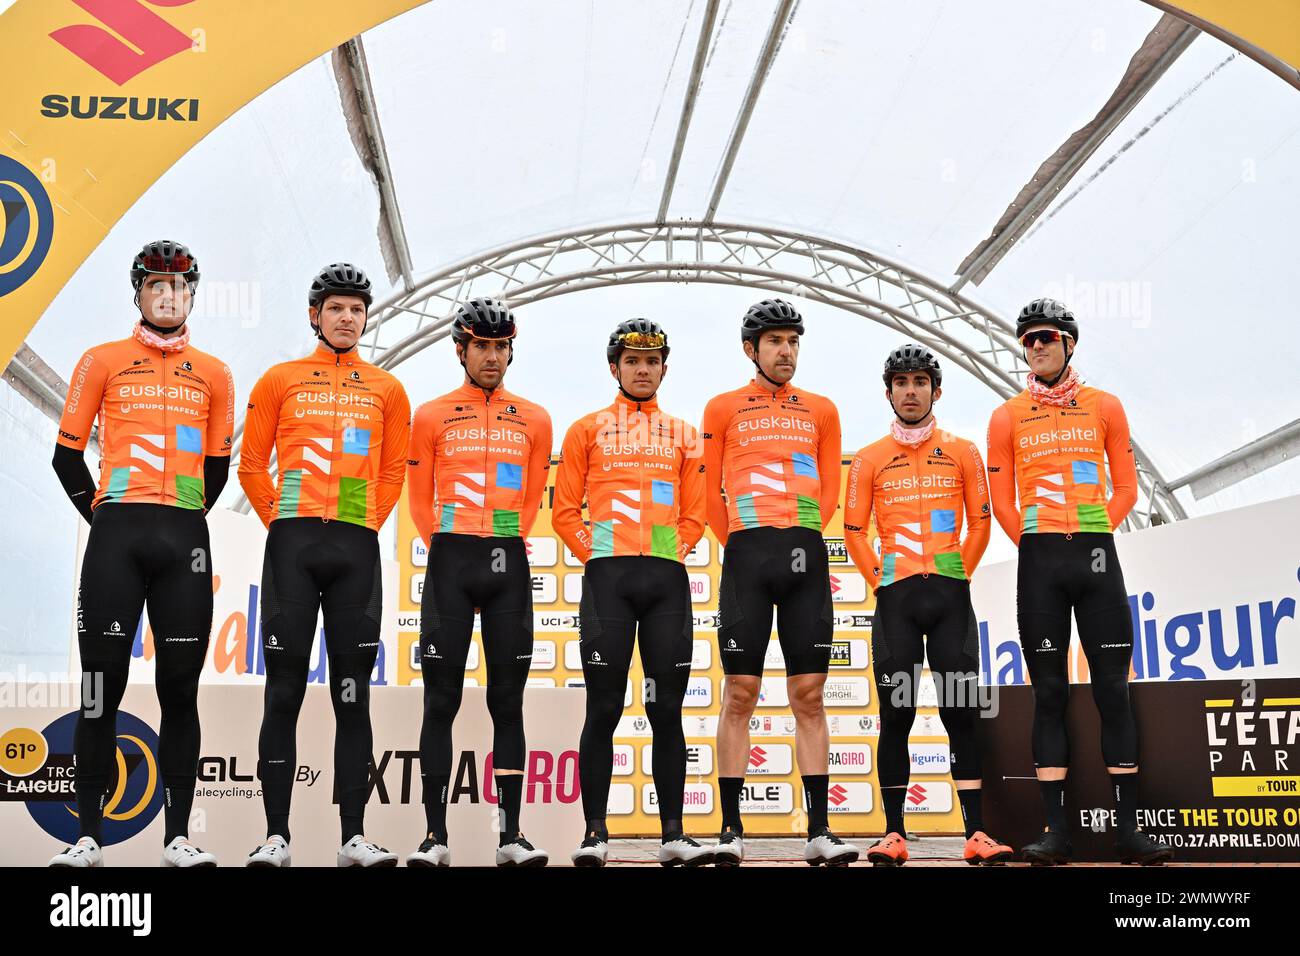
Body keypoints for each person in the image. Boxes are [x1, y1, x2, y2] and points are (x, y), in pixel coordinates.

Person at [49, 240, 233, 868]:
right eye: (157, 285)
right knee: (100, 689)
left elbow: (217, 469)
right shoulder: (100, 360)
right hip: (116, 539)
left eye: (179, 287)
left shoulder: (215, 373)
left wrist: (181, 520)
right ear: (138, 293)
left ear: (192, 296)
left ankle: (178, 837)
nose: (168, 295)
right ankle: (88, 838)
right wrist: (104, 515)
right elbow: (66, 456)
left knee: (180, 691)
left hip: (183, 537)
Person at [987, 297, 1172, 866]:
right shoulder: (1007, 415)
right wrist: (1038, 543)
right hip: (1040, 563)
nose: (1036, 346)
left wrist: (1092, 531)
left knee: (1113, 689)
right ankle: (1056, 832)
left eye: (1046, 336)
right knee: (1050, 694)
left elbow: (1126, 487)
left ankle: (1129, 833)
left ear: (1069, 343)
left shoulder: (1105, 407)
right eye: (1028, 340)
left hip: (1096, 560)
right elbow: (1000, 500)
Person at [240, 263, 410, 868]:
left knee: (352, 695)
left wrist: (364, 524)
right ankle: (275, 835)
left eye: (357, 310)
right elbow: (252, 465)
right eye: (336, 308)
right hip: (293, 546)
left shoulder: (387, 388)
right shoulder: (280, 378)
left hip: (355, 552)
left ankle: (353, 837)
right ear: (315, 314)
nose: (347, 318)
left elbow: (393, 470)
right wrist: (282, 522)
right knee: (282, 691)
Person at [700, 298, 858, 866]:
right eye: (774, 341)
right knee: (739, 693)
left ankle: (819, 828)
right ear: (752, 349)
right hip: (747, 553)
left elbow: (832, 493)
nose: (785, 350)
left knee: (808, 695)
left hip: (804, 555)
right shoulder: (720, 408)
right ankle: (731, 829)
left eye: (792, 340)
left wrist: (801, 539)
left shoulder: (822, 408)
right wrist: (738, 543)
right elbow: (707, 487)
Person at [843, 344, 1013, 866]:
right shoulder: (869, 458)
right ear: (889, 391)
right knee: (896, 715)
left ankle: (977, 833)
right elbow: (853, 528)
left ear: (935, 390)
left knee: (961, 713)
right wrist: (880, 580)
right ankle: (893, 833)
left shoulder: (962, 451)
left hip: (949, 600)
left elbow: (981, 522)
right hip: (896, 602)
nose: (910, 390)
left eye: (920, 381)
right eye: (901, 382)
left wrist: (957, 569)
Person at [554, 319, 712, 867]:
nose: (642, 370)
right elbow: (564, 510)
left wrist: (674, 550)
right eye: (632, 361)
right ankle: (595, 834)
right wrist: (595, 551)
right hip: (608, 582)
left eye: (651, 362)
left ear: (664, 368)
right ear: (614, 367)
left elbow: (697, 514)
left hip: (666, 581)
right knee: (604, 707)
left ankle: (673, 833)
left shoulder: (685, 433)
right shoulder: (586, 430)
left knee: (667, 708)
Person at [404, 297, 552, 867]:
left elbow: (535, 497)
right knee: (439, 700)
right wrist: (451, 544)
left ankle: (511, 835)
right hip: (450, 561)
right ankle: (434, 836)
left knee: (507, 702)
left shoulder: (535, 418)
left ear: (510, 350)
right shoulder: (432, 414)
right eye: (481, 346)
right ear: (461, 349)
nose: (492, 357)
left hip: (506, 562)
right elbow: (420, 503)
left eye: (500, 347)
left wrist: (497, 541)